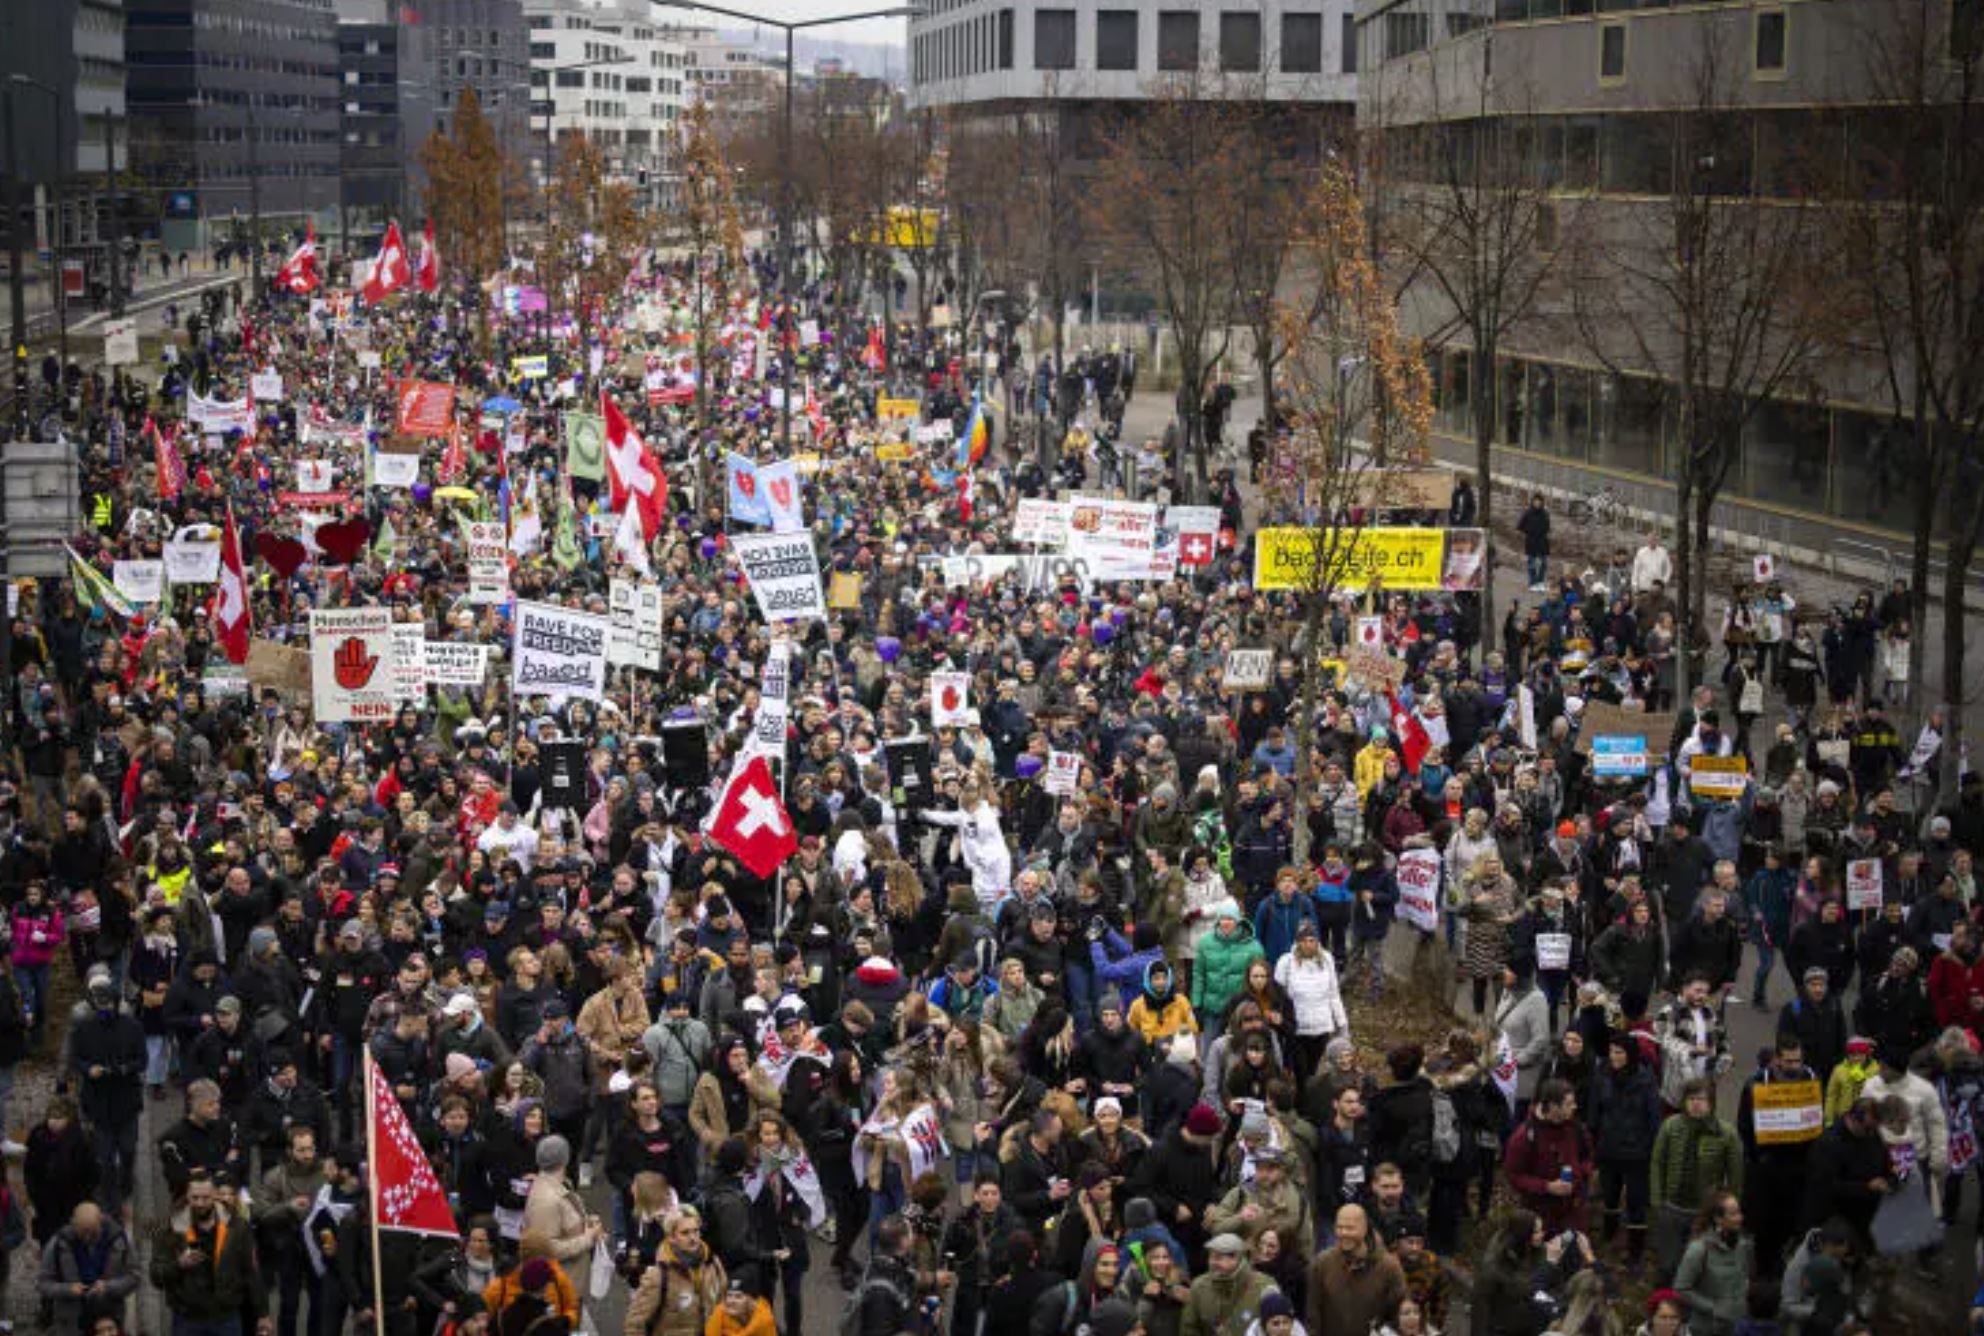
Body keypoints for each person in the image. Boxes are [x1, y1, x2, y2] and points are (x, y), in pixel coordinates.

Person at [148, 1170, 272, 1336]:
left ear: (214, 1194)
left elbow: (251, 1271)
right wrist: (179, 1264)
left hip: (226, 1318)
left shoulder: (238, 1227)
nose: (200, 1203)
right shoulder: (170, 1229)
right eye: (195, 1197)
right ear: (187, 1195)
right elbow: (156, 1276)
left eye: (206, 1197)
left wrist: (263, 1314)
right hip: (187, 1320)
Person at [1649, 1078, 1745, 1283]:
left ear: (1711, 1103)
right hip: (1672, 1208)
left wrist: (1728, 1209)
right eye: (1691, 1098)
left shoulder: (1726, 1133)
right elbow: (1657, 1163)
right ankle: (1665, 1306)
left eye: (1701, 1099)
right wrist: (1658, 1202)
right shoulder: (1670, 1126)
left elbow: (1736, 1175)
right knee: (1668, 1264)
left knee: (1700, 1265)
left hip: (1704, 1211)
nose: (1695, 1104)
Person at [37, 1202, 141, 1336]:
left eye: (93, 1233)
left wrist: (109, 1287)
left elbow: (135, 1276)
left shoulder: (119, 1238)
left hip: (109, 1320)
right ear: (73, 1224)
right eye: (83, 1233)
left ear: (101, 1222)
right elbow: (42, 1283)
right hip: (72, 1321)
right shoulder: (58, 1243)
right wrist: (68, 1289)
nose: (87, 1239)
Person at [1304, 1204, 1406, 1336]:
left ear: (1365, 1229)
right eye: (1339, 1228)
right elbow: (1313, 1315)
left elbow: (1398, 1314)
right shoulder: (1322, 1263)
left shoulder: (1389, 1267)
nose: (1344, 1233)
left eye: (1350, 1228)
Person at [1672, 1190, 1753, 1336]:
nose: (1740, 1218)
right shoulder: (1699, 1249)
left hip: (1737, 1328)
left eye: (1739, 1212)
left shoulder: (1743, 1245)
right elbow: (1680, 1289)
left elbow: (1744, 1277)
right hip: (1706, 1329)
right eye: (1733, 1214)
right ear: (1718, 1218)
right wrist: (1715, 1308)